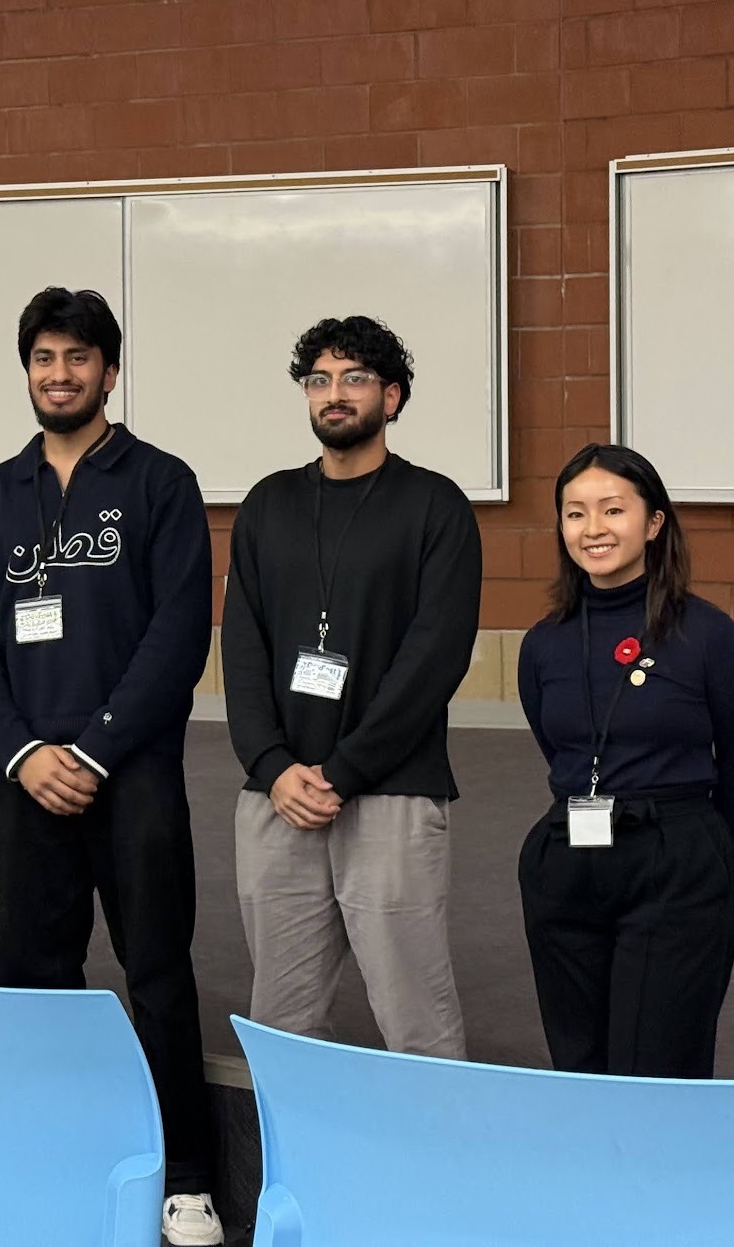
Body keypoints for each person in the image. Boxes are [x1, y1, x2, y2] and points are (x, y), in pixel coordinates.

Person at [0, 287, 223, 1247]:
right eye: (43, 359)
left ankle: (185, 1176)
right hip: (25, 774)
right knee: (30, 973)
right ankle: (42, 1154)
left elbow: (177, 635)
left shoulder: (160, 483)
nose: (58, 375)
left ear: (110, 370)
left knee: (157, 970)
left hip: (132, 768)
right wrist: (24, 753)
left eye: (77, 358)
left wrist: (98, 747)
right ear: (26, 371)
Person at [222, 315, 481, 1060]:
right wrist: (272, 767)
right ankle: (306, 1174)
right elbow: (242, 650)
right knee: (281, 1018)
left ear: (392, 398)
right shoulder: (267, 505)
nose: (334, 395)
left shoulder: (436, 507)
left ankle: (437, 1175)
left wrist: (343, 770)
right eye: (319, 380)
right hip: (278, 797)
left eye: (355, 379)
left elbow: (433, 661)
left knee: (415, 1017)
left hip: (390, 791)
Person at [515, 441, 734, 1078]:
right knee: (580, 1064)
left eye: (612, 510)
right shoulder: (544, 643)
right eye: (575, 513)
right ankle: (595, 1180)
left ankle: (664, 1181)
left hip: (673, 864)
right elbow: (559, 748)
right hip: (568, 862)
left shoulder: (708, 636)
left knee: (658, 1069)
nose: (592, 529)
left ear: (654, 524)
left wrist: (695, 852)